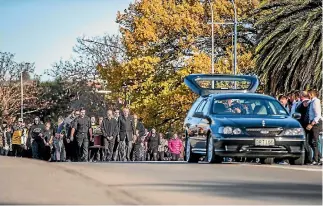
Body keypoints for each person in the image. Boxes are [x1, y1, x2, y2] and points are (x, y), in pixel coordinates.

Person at [305, 90, 322, 165]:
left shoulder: (316, 101)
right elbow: (306, 103)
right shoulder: (311, 101)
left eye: (308, 94)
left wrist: (312, 124)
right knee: (310, 142)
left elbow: (318, 115)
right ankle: (320, 157)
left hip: (316, 123)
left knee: (314, 141)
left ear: (311, 94)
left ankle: (315, 160)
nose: (307, 96)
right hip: (311, 122)